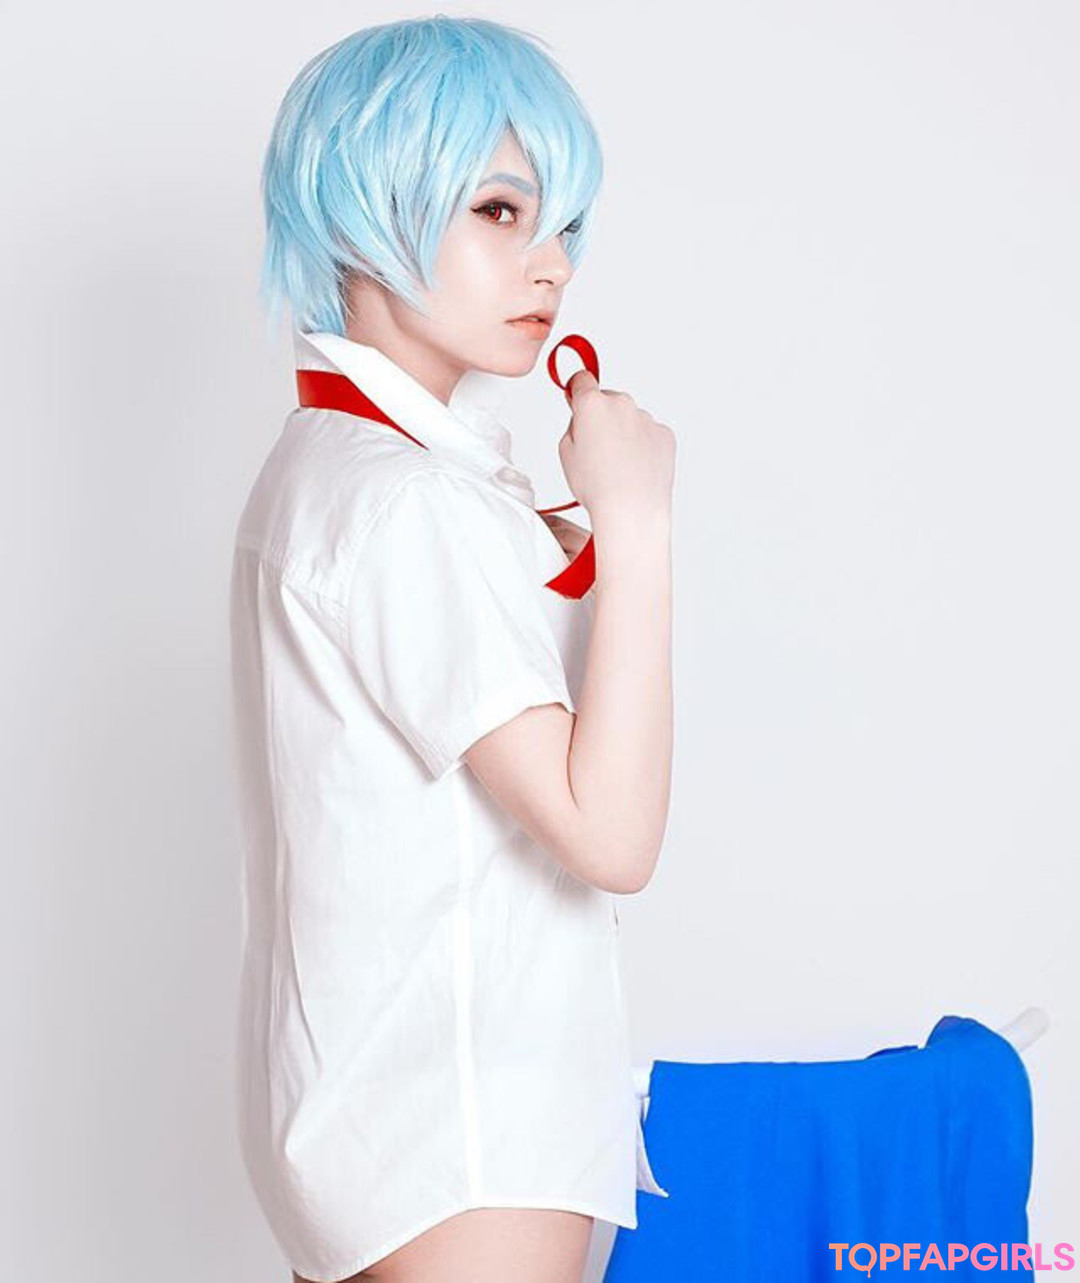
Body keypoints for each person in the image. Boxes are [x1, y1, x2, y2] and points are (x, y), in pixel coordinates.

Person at [229, 16, 675, 1283]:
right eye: (498, 210)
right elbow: (610, 836)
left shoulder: (337, 463)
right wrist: (641, 526)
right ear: (366, 208)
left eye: (562, 224)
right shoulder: (406, 499)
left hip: (387, 1125)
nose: (552, 264)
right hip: (464, 1140)